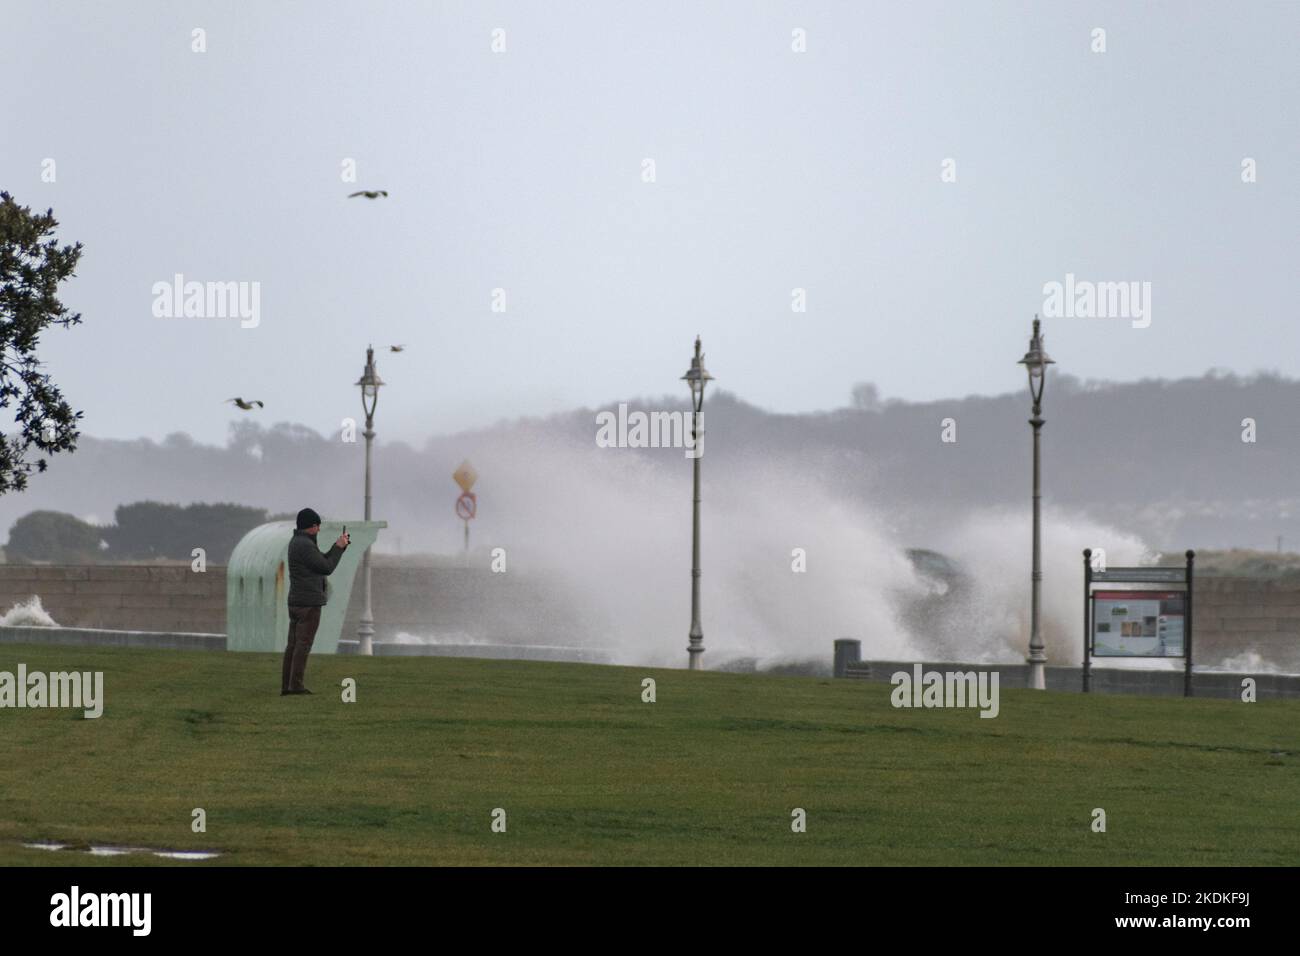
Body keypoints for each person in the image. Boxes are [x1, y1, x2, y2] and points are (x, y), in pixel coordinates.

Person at [282, 508, 349, 695]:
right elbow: (327, 567)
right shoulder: (305, 545)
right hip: (308, 604)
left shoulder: (299, 542)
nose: (319, 529)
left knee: (293, 646)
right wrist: (339, 548)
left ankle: (287, 686)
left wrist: (338, 546)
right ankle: (295, 686)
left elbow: (319, 563)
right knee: (303, 645)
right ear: (311, 526)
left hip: (297, 601)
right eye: (317, 526)